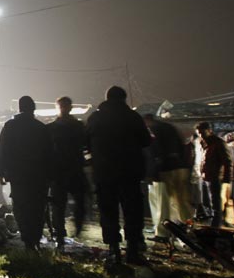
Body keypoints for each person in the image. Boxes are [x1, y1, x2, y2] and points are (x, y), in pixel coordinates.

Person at [86, 86, 151, 264]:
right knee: (132, 211)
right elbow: (146, 141)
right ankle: (132, 249)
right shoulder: (133, 117)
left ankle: (113, 249)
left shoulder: (95, 118)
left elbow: (86, 144)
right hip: (130, 172)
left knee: (108, 211)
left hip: (104, 173)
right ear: (124, 99)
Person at [0, 96, 53, 251]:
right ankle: (34, 238)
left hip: (18, 175)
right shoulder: (41, 128)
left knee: (21, 207)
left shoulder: (10, 126)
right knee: (37, 208)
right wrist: (50, 176)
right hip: (38, 177)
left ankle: (27, 239)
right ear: (33, 109)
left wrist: (1, 172)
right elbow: (49, 154)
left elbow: (1, 150)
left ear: (19, 108)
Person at [143, 114, 192, 240]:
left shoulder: (153, 130)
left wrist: (153, 172)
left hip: (164, 171)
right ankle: (188, 229)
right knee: (181, 202)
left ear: (147, 121)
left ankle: (163, 232)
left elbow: (154, 152)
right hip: (181, 168)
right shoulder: (169, 127)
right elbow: (182, 146)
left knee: (162, 203)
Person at [47, 96, 87, 246]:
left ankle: (61, 233)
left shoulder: (52, 128)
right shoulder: (78, 127)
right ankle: (67, 230)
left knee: (59, 205)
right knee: (71, 203)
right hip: (72, 169)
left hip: (61, 171)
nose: (63, 109)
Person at [196, 122, 232, 228]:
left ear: (209, 131)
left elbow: (227, 161)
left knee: (216, 202)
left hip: (215, 177)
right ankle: (212, 222)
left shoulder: (218, 143)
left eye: (203, 132)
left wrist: (227, 179)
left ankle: (216, 224)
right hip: (206, 176)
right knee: (208, 201)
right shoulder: (204, 143)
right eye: (199, 133)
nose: (201, 135)